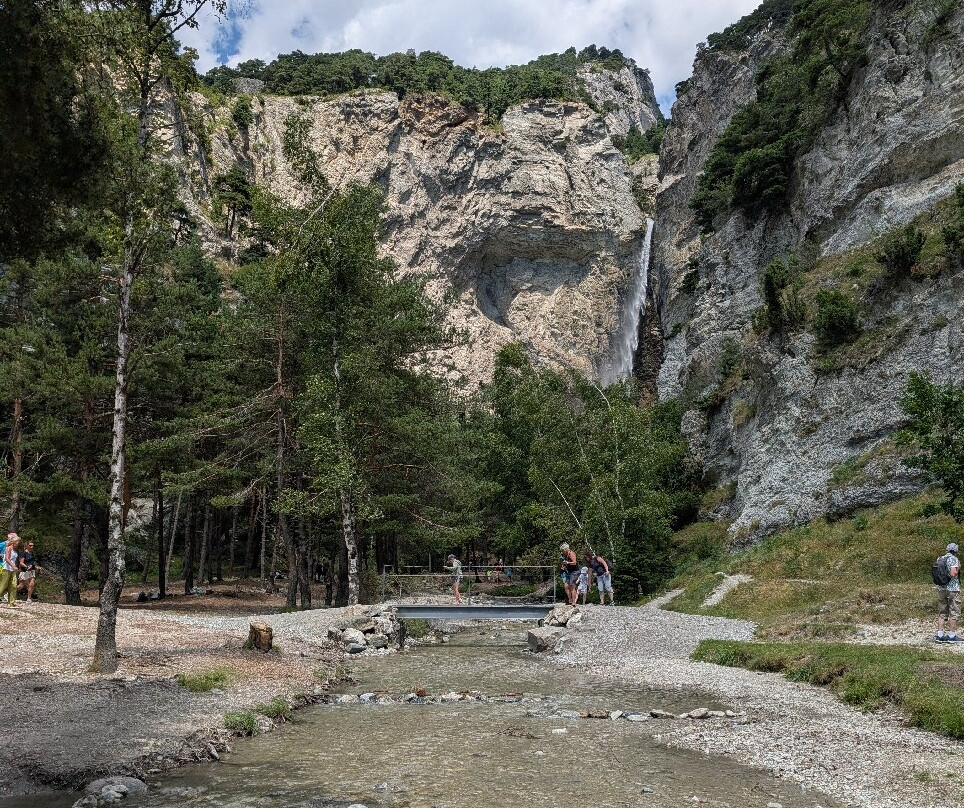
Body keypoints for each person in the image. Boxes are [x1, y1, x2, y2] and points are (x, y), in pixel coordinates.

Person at [935, 541, 961, 643]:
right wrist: (958, 568)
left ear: (947, 549)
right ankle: (951, 636)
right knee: (954, 612)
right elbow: (954, 573)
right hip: (952, 589)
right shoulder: (954, 559)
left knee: (942, 612)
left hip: (941, 589)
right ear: (956, 551)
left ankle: (940, 635)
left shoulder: (940, 558)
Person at [17, 539, 44, 604]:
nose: (32, 547)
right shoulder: (23, 553)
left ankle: (29, 598)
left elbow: (32, 563)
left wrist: (37, 567)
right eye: (30, 545)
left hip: (32, 571)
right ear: (27, 546)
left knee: (32, 584)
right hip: (24, 571)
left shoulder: (32, 553)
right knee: (21, 585)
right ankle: (9, 592)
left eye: (33, 545)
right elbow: (21, 563)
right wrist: (26, 567)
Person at [1, 534, 21, 607]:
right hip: (6, 569)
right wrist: (13, 566)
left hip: (12, 570)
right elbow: (7, 558)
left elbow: (15, 560)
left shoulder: (16, 550)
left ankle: (11, 602)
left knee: (13, 585)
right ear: (14, 542)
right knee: (3, 586)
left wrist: (16, 567)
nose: (18, 544)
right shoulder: (9, 548)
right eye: (18, 543)